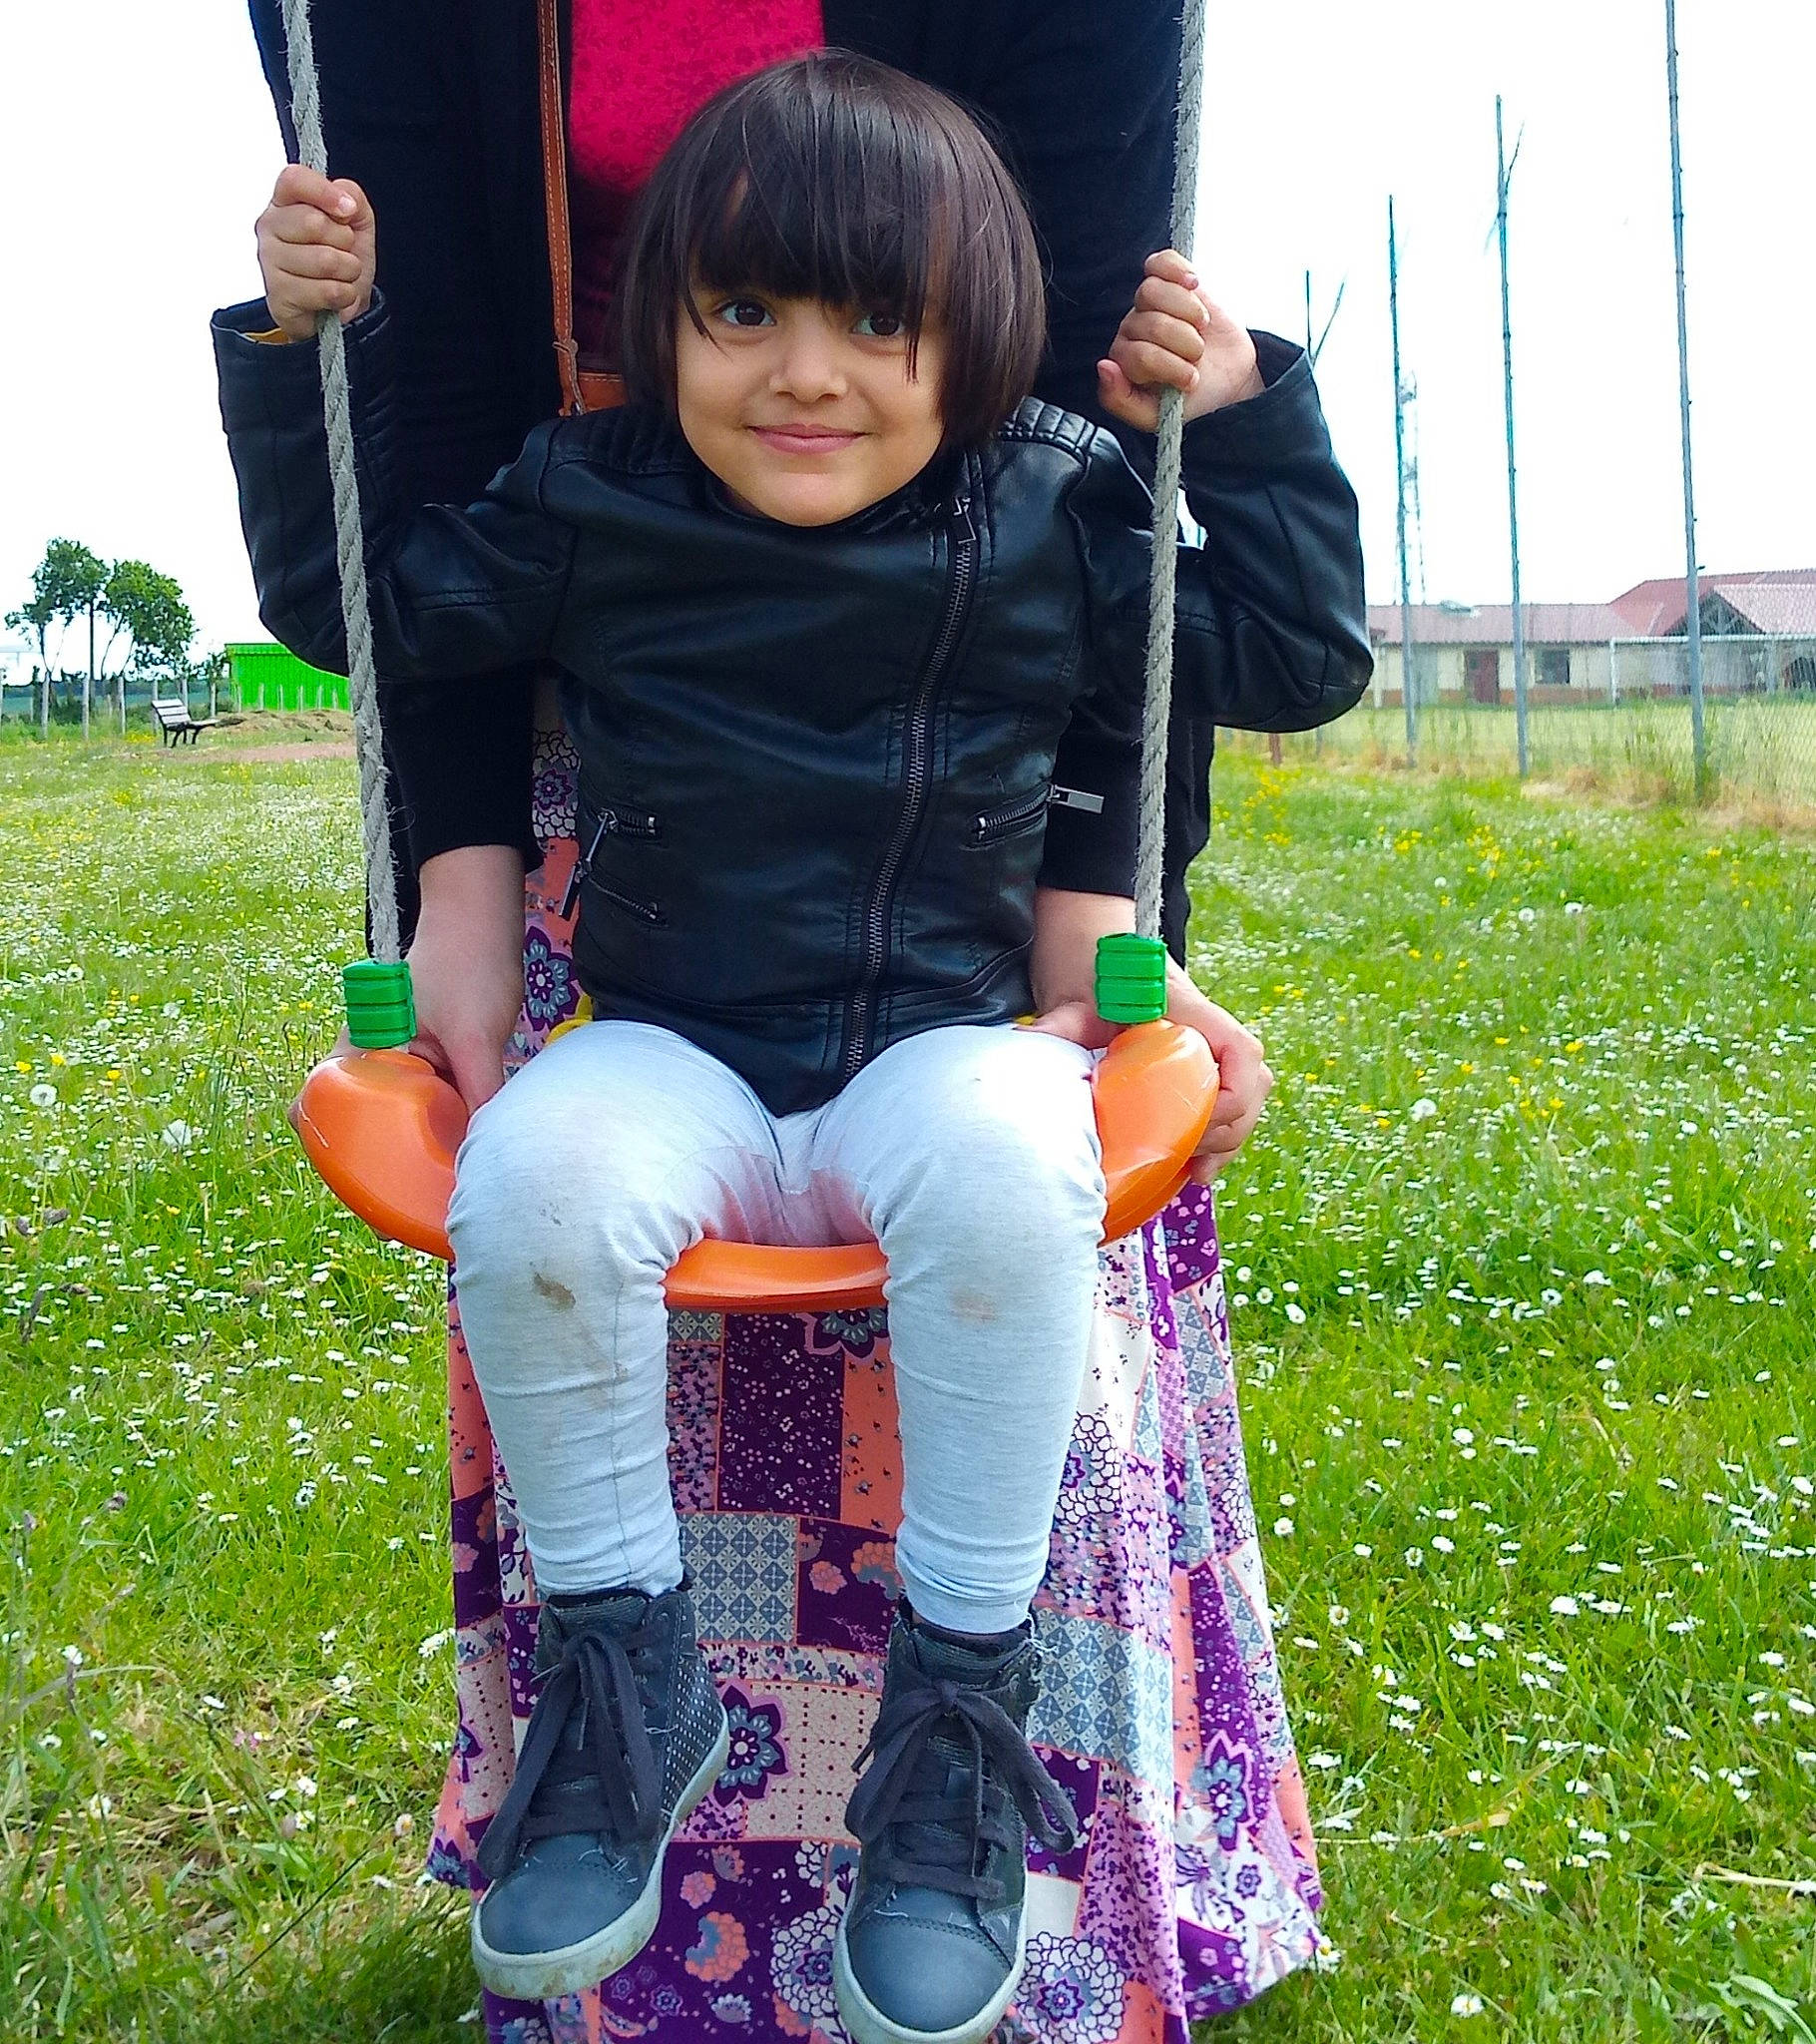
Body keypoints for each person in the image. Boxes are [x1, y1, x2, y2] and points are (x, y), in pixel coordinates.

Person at [217, 54, 1368, 2043]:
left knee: (1015, 1165)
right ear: (659, 325)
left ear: (976, 335)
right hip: (676, 1047)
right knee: (535, 1183)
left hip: (935, 1049)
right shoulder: (589, 496)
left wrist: (1245, 409)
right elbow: (364, 611)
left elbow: (1290, 654)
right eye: (742, 311)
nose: (802, 375)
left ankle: (959, 1711)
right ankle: (624, 1678)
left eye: (874, 319)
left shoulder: (1056, 502)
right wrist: (307, 352)